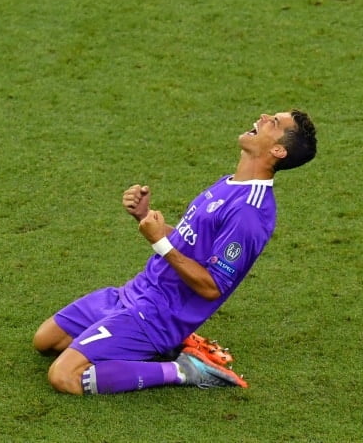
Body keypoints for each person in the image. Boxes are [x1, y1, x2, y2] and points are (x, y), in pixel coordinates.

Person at [33, 109, 317, 394]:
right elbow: (188, 243)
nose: (264, 116)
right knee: (45, 342)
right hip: (132, 293)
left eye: (275, 123)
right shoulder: (228, 184)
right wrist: (146, 218)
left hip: (156, 317)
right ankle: (170, 345)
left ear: (278, 150)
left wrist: (159, 243)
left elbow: (212, 286)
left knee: (64, 376)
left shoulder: (250, 214)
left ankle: (184, 370)